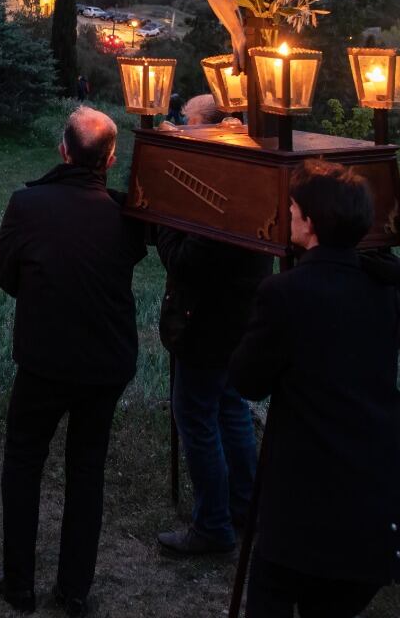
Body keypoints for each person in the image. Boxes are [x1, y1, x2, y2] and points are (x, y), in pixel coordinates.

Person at [228, 160, 400, 618]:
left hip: (307, 495)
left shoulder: (285, 293)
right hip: (377, 490)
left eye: (292, 209)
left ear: (310, 223)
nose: (287, 215)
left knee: (270, 595)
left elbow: (247, 381)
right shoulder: (382, 289)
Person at [0, 105, 147, 616]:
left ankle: (18, 586)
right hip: (106, 362)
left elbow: (4, 273)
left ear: (63, 150)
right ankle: (74, 590)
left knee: (23, 464)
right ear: (110, 159)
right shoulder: (125, 215)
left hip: (45, 360)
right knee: (87, 471)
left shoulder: (28, 204)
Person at [154, 103, 270, 557]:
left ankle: (213, 524)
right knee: (231, 409)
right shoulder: (249, 176)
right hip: (237, 320)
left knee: (196, 418)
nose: (183, 129)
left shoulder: (217, 191)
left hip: (207, 324)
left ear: (217, 131)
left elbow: (187, 261)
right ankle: (245, 507)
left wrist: (164, 217)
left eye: (189, 122)